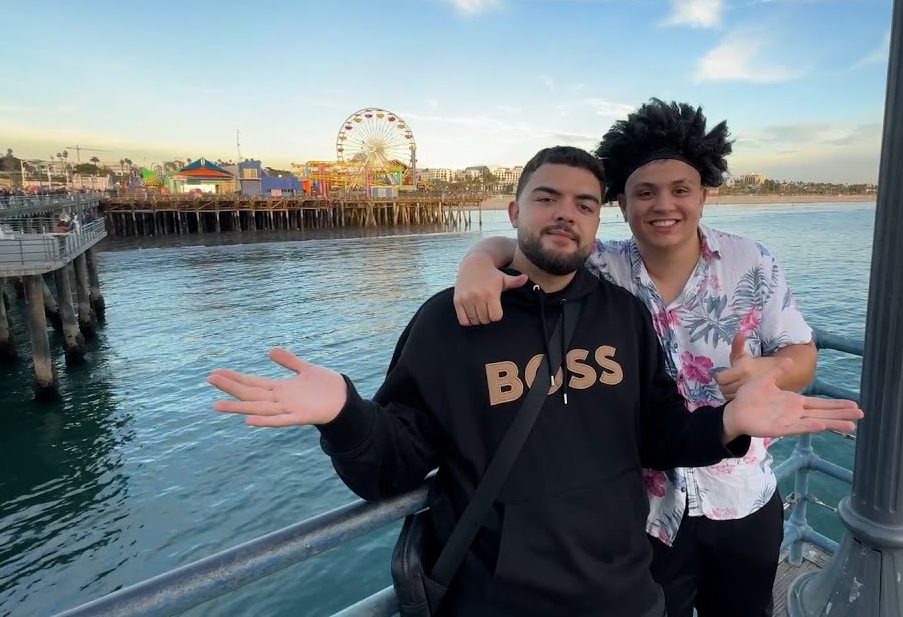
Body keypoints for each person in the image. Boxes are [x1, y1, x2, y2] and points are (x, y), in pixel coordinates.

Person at [209, 146, 862, 617]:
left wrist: (729, 423)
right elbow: (397, 466)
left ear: (597, 222)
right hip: (499, 597)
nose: (565, 213)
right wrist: (345, 413)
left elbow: (659, 433)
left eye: (583, 203)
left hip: (627, 592)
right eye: (547, 197)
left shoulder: (620, 313)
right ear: (513, 208)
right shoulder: (449, 322)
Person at [454, 100, 817, 617]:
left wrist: (770, 371)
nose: (663, 205)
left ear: (704, 196)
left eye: (680, 190)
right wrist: (476, 261)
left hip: (741, 497)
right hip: (644, 513)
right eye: (645, 192)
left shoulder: (751, 262)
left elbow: (802, 352)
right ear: (622, 205)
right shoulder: (599, 266)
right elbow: (526, 247)